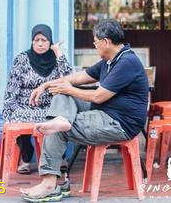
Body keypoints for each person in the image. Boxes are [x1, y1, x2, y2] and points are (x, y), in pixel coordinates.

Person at [20, 19, 149, 202]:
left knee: (57, 127)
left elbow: (98, 96)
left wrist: (68, 89)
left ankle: (51, 184)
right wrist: (46, 85)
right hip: (104, 111)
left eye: (95, 42)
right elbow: (79, 77)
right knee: (61, 99)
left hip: (119, 123)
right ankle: (61, 124)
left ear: (106, 42)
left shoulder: (127, 62)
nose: (94, 45)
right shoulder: (109, 60)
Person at [2, 24, 72, 174]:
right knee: (18, 117)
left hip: (50, 108)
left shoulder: (56, 59)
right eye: (36, 40)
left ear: (50, 42)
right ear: (32, 41)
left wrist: (58, 52)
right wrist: (8, 116)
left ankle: (59, 158)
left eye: (44, 40)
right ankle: (26, 158)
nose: (40, 44)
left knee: (59, 118)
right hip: (25, 107)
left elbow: (69, 78)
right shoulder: (22, 59)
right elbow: (11, 91)